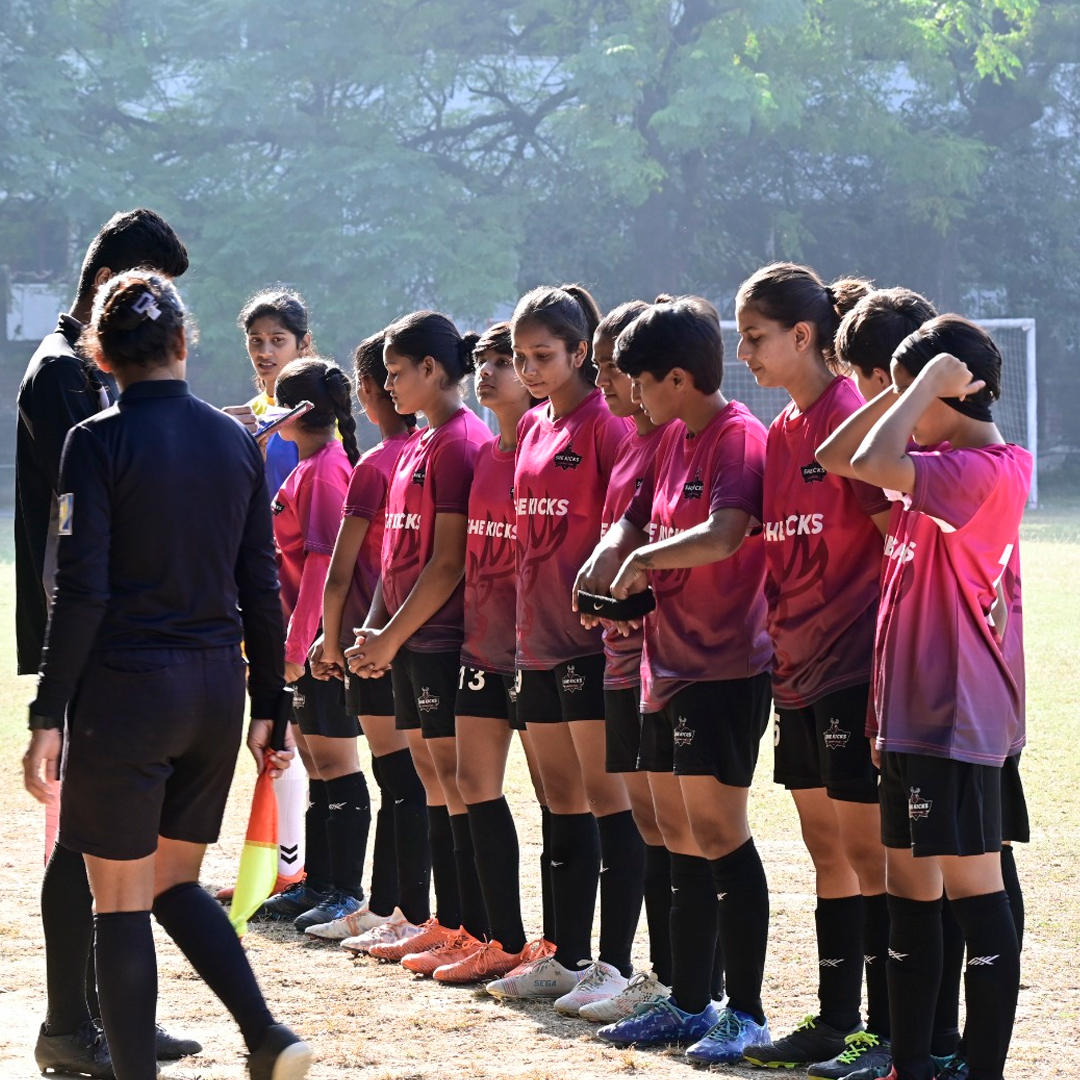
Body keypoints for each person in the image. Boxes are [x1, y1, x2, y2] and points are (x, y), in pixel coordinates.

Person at [21, 270, 311, 1080]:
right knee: (177, 885)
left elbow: (82, 592)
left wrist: (49, 715)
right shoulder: (234, 440)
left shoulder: (97, 441)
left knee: (118, 903)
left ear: (103, 356)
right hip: (216, 690)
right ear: (186, 343)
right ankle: (266, 1034)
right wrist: (272, 708)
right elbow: (263, 583)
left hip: (129, 693)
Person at [819, 296, 1028, 1080]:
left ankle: (981, 1070)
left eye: (911, 396)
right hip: (906, 723)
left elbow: (867, 461)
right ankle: (913, 1061)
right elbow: (840, 455)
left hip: (954, 724)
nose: (897, 412)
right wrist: (906, 388)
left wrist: (916, 390)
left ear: (951, 394)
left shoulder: (981, 475)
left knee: (977, 900)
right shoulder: (937, 471)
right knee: (911, 898)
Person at [15, 208, 197, 1077]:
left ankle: (115, 1017)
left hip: (124, 635)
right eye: (154, 291)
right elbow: (88, 521)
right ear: (113, 284)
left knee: (117, 833)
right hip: (89, 632)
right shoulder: (61, 378)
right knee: (86, 837)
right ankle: (68, 1024)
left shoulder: (90, 376)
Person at [577, 297, 774, 1065]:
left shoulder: (736, 438)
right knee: (671, 835)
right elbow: (634, 515)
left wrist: (641, 560)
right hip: (664, 662)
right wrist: (613, 553)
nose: (630, 395)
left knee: (719, 835)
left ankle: (745, 1011)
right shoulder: (671, 439)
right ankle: (686, 1000)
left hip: (722, 668)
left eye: (639, 381)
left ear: (680, 378)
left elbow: (725, 534)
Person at [731, 263, 894, 1077]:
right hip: (793, 669)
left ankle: (887, 1033)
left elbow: (898, 535)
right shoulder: (783, 431)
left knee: (871, 857)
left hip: (853, 669)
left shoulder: (851, 417)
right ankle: (838, 1020)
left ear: (805, 335)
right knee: (828, 853)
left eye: (756, 339)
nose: (746, 354)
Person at [484, 285, 640, 1008]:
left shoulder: (607, 424)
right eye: (522, 358)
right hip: (535, 646)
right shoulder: (535, 428)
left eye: (545, 355)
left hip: (590, 646)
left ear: (582, 351)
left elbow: (626, 533)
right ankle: (565, 954)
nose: (533, 369)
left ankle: (615, 962)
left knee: (609, 805)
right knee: (556, 801)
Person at [345, 311, 493, 964]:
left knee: (456, 782)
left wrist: (390, 636)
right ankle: (447, 922)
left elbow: (447, 563)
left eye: (398, 373)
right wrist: (375, 631)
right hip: (408, 641)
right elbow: (397, 555)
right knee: (434, 779)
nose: (389, 385)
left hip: (440, 640)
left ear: (433, 371)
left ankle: (480, 930)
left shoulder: (462, 441)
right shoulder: (422, 444)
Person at [431, 322, 551, 984]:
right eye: (482, 361)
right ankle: (499, 937)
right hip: (482, 648)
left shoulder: (544, 445)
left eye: (503, 362)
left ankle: (566, 952)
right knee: (472, 784)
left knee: (554, 798)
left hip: (537, 651)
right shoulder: (484, 459)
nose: (490, 372)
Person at [572, 298, 682, 1022]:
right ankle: (650, 977)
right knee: (646, 822)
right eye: (605, 369)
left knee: (678, 829)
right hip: (620, 662)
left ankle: (680, 985)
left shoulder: (681, 438)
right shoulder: (633, 442)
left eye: (620, 370)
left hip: (675, 665)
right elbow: (621, 529)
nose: (612, 386)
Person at [305, 332, 428, 944]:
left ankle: (393, 910)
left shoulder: (384, 463)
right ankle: (393, 908)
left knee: (400, 779)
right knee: (413, 780)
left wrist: (330, 644)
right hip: (407, 635)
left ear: (369, 392)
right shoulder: (410, 455)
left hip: (377, 641)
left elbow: (342, 573)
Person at [257, 358, 371, 934]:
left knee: (336, 762)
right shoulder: (307, 465)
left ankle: (345, 893)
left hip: (321, 646)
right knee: (319, 767)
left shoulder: (327, 469)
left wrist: (303, 644)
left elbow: (326, 566)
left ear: (299, 412)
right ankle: (318, 885)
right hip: (300, 643)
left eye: (279, 402)